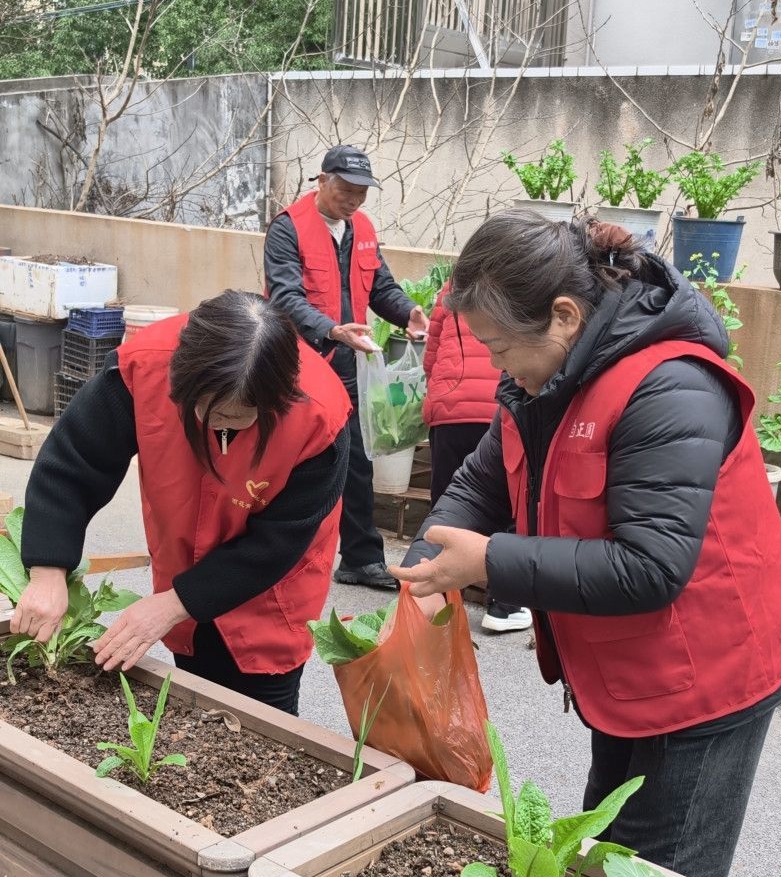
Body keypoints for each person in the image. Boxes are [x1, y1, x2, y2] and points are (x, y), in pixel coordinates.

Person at [395, 211, 781, 877]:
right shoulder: (545, 380)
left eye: (498, 347)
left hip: (710, 677)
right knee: (607, 865)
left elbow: (651, 567)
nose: (495, 365)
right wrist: (426, 563)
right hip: (629, 676)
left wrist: (489, 563)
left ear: (562, 315)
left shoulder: (670, 386)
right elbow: (483, 480)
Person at [13, 290, 351, 717]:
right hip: (182, 562)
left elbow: (278, 543)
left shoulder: (321, 417)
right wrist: (47, 572)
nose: (216, 425)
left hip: (271, 594)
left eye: (235, 416)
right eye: (204, 409)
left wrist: (170, 605)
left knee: (264, 720)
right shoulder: (144, 367)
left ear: (277, 399)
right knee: (188, 706)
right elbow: (73, 464)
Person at [264, 144, 428, 590]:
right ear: (322, 181)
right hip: (299, 365)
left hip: (349, 365)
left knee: (356, 462)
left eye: (362, 192)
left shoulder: (362, 229)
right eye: (346, 189)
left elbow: (381, 287)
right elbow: (285, 298)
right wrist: (332, 330)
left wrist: (408, 312)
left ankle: (360, 558)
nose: (354, 200)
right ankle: (275, 552)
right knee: (291, 460)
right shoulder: (288, 229)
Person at [424, 279, 532, 635]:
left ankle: (439, 597)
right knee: (510, 504)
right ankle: (503, 604)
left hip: (450, 406)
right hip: (493, 407)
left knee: (449, 500)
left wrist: (440, 391)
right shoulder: (520, 288)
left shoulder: (451, 289)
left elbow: (432, 350)